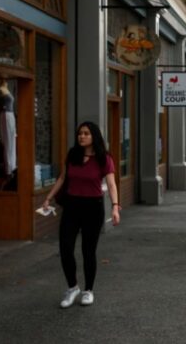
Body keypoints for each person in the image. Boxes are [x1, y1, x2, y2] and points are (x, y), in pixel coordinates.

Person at [41, 121, 120, 308]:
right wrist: (48, 198)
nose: (81, 136)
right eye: (79, 133)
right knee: (65, 248)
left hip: (93, 207)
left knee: (88, 251)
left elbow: (111, 184)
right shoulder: (73, 155)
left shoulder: (103, 158)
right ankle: (72, 287)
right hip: (72, 206)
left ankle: (88, 290)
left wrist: (115, 206)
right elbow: (62, 178)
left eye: (86, 133)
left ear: (94, 136)